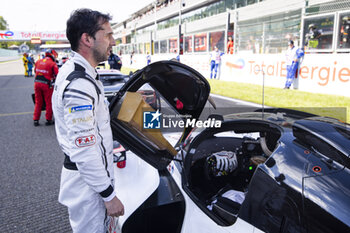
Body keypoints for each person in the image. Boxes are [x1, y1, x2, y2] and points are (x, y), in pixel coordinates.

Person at [52, 8, 124, 232]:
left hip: (92, 181)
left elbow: (94, 118)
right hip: (89, 187)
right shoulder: (78, 84)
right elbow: (83, 149)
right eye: (108, 35)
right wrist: (108, 195)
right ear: (87, 39)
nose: (113, 41)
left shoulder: (81, 72)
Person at [33, 49, 58, 126]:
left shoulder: (38, 61)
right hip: (47, 85)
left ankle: (36, 120)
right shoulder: (52, 64)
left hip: (37, 83)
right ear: (52, 55)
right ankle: (48, 120)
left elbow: (35, 71)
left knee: (38, 102)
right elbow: (58, 75)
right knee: (48, 102)